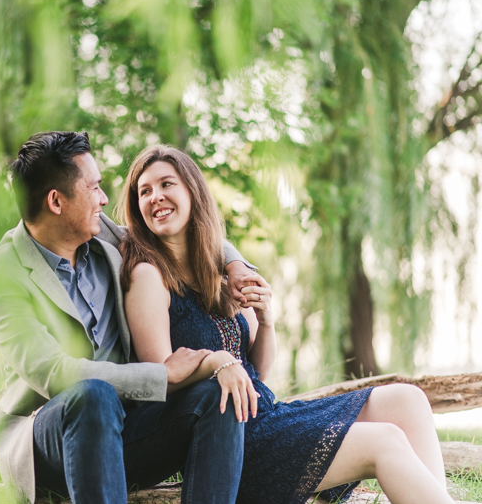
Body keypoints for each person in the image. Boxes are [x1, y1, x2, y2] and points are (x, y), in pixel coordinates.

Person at [117, 144, 455, 504]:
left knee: (408, 399)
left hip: (269, 415)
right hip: (229, 441)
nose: (156, 197)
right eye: (145, 191)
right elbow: (161, 379)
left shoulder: (220, 271)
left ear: (192, 191)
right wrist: (217, 364)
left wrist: (266, 321)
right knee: (384, 441)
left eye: (167, 184)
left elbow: (257, 369)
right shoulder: (148, 275)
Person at [0, 131, 259, 504]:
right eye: (93, 188)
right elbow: (55, 374)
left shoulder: (102, 237)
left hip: (132, 429)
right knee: (93, 395)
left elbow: (179, 230)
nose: (105, 199)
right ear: (56, 201)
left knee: (214, 395)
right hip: (52, 443)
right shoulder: (1, 280)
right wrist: (161, 375)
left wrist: (234, 263)